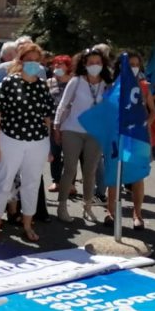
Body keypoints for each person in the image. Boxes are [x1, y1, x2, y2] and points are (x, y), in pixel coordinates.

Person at [0, 43, 54, 242]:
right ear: (20, 61)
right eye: (29, 59)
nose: (32, 63)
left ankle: (27, 225)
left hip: (38, 141)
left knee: (31, 184)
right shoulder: (8, 82)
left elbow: (47, 117)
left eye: (36, 60)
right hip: (10, 139)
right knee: (3, 183)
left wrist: (48, 144)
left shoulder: (42, 85)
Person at [54, 50, 110, 224]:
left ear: (103, 64)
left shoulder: (107, 84)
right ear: (84, 64)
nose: (95, 66)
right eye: (91, 62)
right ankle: (62, 206)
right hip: (72, 130)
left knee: (90, 171)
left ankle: (87, 207)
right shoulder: (76, 81)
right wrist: (56, 126)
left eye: (98, 62)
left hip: (95, 133)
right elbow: (63, 105)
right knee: (70, 169)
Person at [105, 52, 155, 228]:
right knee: (114, 175)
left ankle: (137, 215)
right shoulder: (113, 87)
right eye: (130, 64)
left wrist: (144, 125)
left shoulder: (143, 87)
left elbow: (153, 112)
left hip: (138, 138)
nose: (133, 67)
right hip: (117, 136)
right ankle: (110, 213)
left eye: (136, 64)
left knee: (137, 176)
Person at [46, 54, 73, 192]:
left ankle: (71, 183)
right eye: (55, 65)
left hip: (70, 124)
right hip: (52, 123)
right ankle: (56, 181)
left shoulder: (73, 82)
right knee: (55, 153)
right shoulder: (49, 82)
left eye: (60, 65)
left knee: (70, 155)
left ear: (68, 67)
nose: (56, 68)